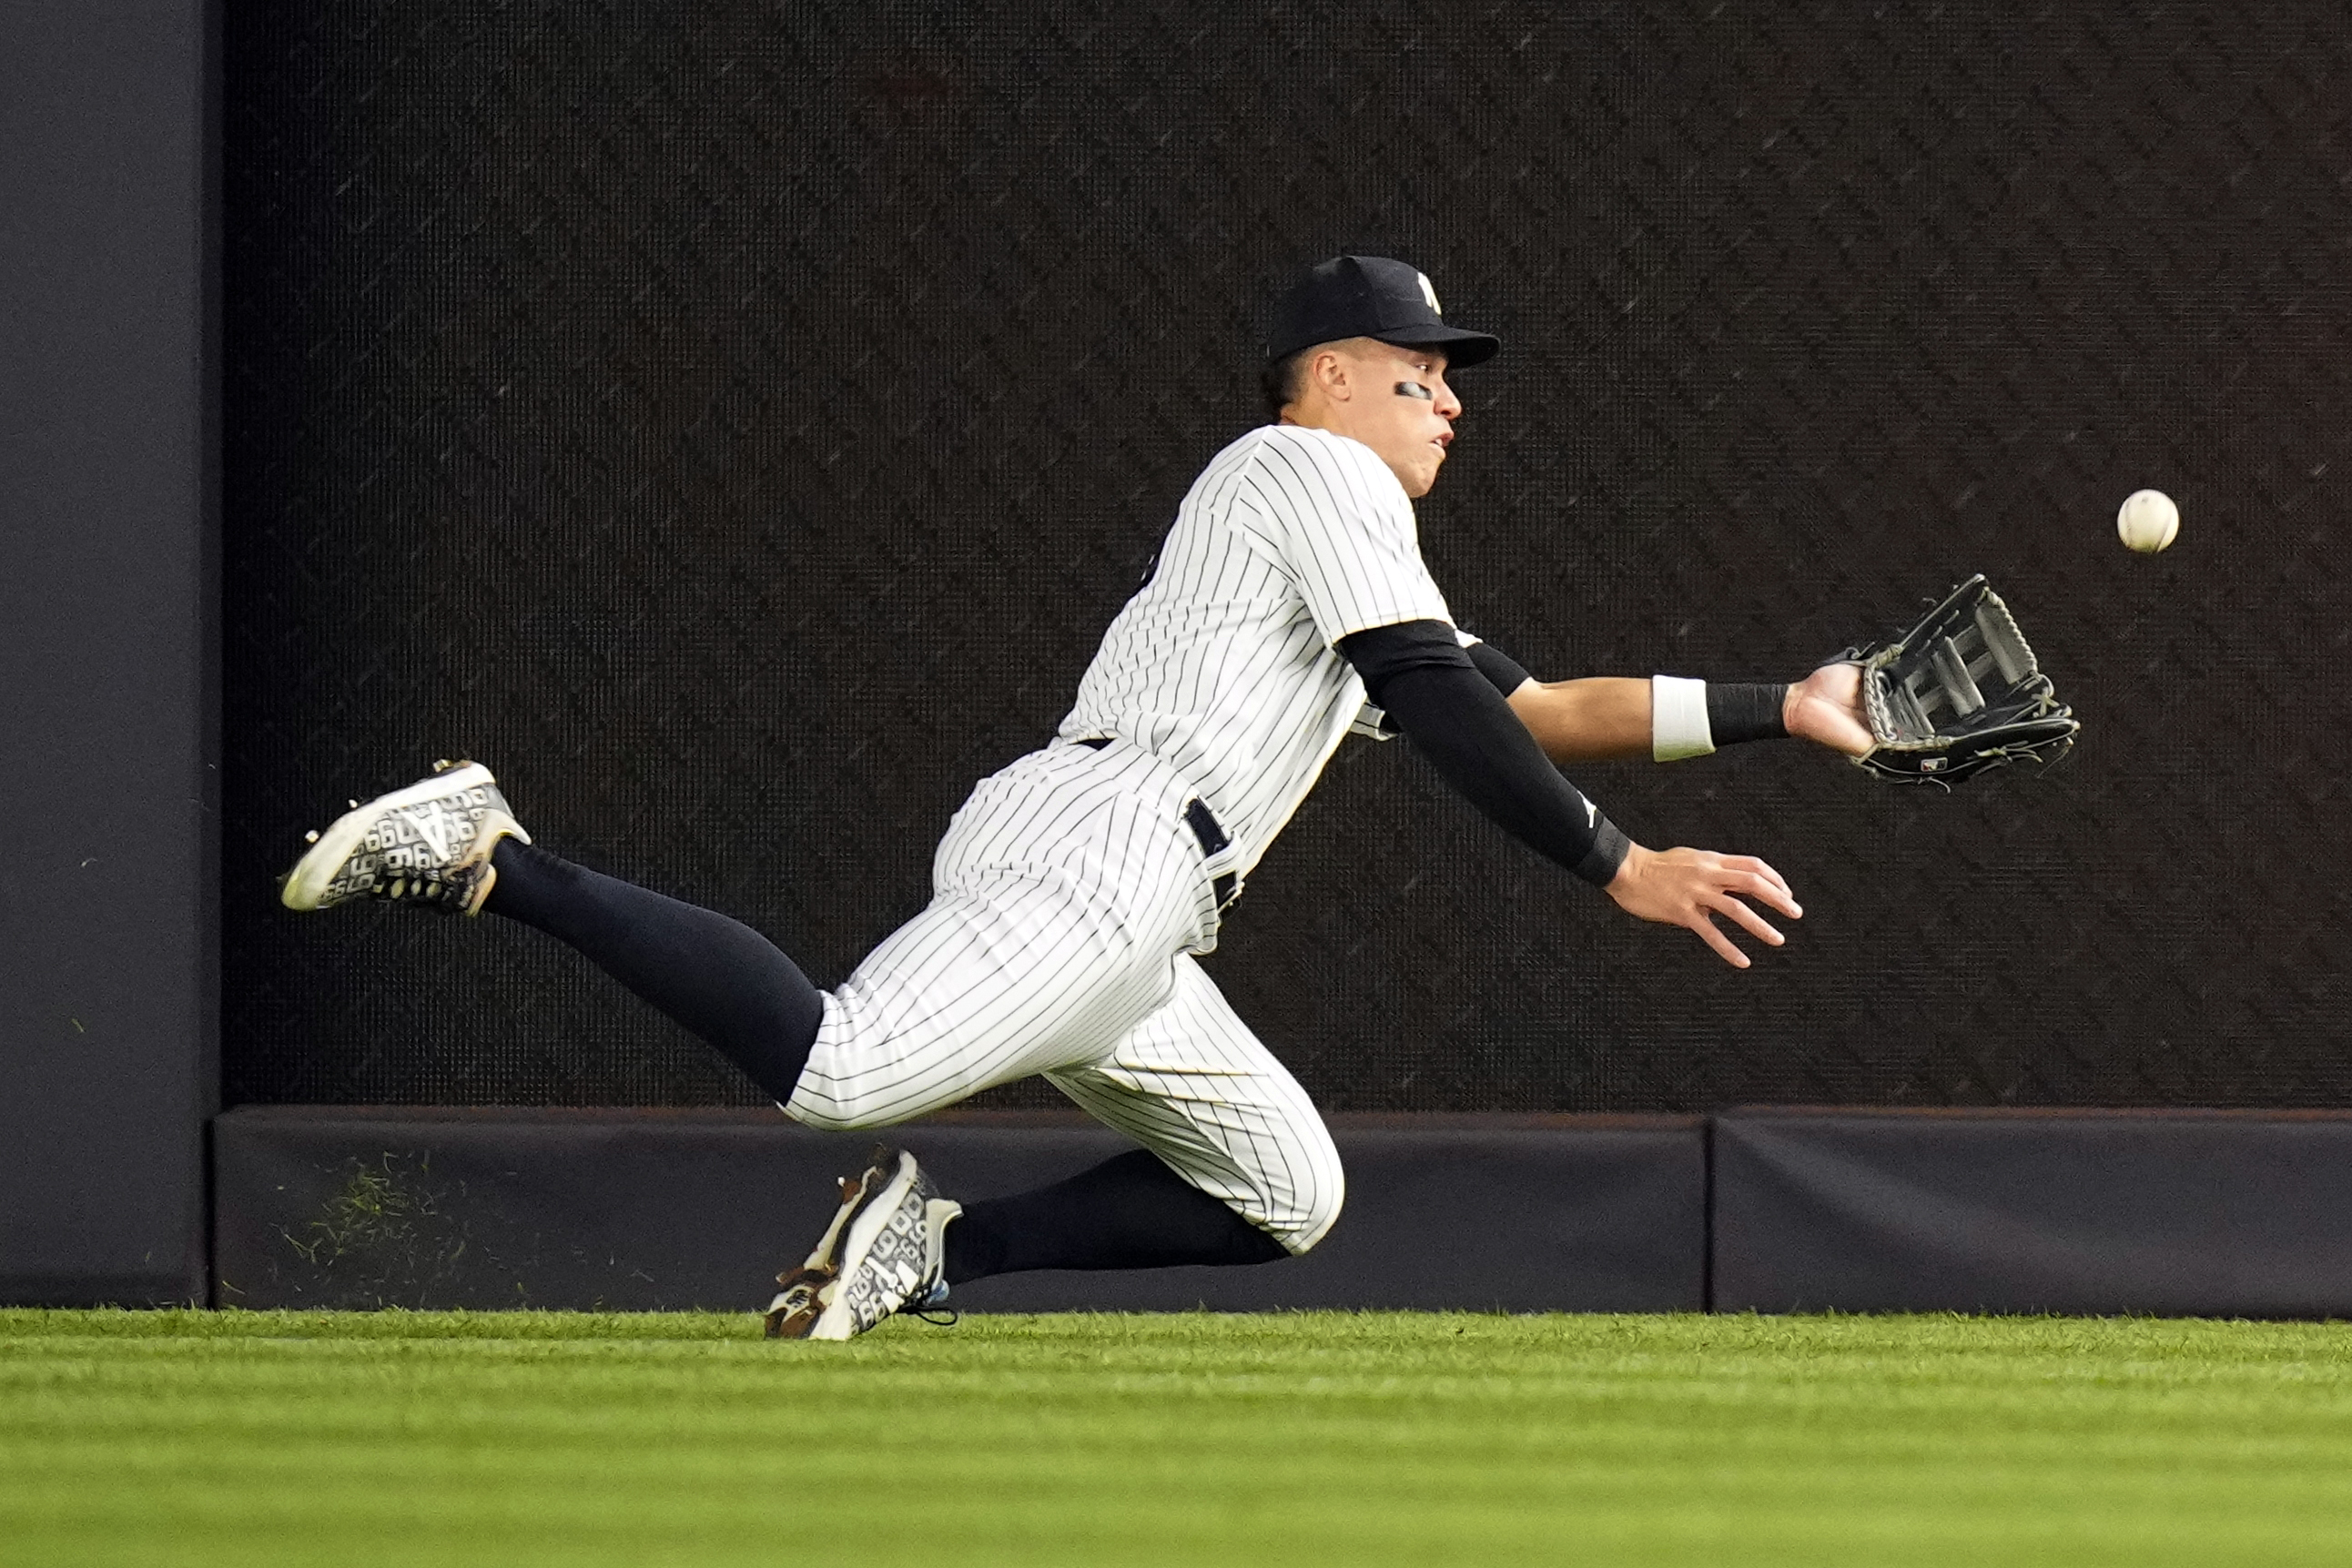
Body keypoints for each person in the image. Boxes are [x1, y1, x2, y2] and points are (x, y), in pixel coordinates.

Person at [279, 255, 1872, 1340]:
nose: (1452, 397)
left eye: (1455, 379)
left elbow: (1531, 706)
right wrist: (1619, 869)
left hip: (1144, 908)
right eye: (1423, 371)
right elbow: (1444, 700)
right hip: (1106, 853)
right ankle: (490, 850)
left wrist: (1779, 712)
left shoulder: (1351, 552)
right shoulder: (1306, 473)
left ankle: (928, 1248)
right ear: (1330, 375)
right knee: (839, 1067)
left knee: (1285, 1192)